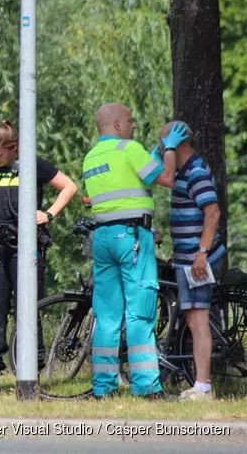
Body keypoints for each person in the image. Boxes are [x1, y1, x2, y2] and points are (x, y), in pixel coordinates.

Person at [82, 103, 185, 400]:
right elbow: (166, 179)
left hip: (102, 239)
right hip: (132, 239)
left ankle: (103, 388)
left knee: (107, 315)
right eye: (130, 120)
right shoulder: (130, 148)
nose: (134, 125)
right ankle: (147, 387)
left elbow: (127, 182)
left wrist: (152, 154)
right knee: (140, 313)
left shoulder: (92, 157)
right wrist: (169, 150)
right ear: (117, 125)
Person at [0, 120, 78, 395]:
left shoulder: (32, 165)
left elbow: (69, 187)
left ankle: (31, 374)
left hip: (25, 248)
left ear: (14, 148)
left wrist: (49, 214)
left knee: (29, 310)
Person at [155, 120, 226, 401]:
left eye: (163, 141)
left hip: (198, 258)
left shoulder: (195, 171)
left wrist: (201, 253)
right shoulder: (183, 170)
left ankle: (203, 386)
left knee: (197, 321)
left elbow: (213, 213)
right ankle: (199, 382)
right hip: (187, 255)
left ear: (177, 142)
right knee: (192, 318)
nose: (160, 146)